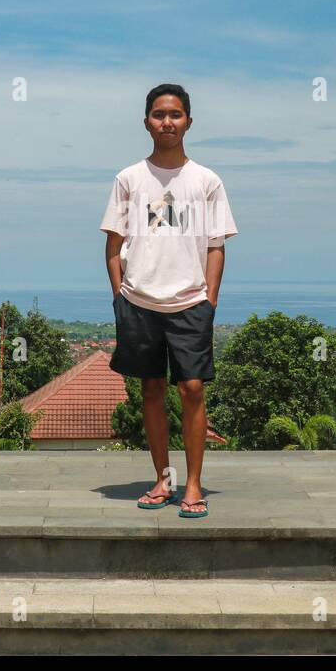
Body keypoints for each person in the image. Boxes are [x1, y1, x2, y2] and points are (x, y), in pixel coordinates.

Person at [99, 83, 238, 519]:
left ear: (188, 122)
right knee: (152, 389)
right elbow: (113, 244)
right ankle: (163, 478)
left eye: (175, 114)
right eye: (159, 114)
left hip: (190, 302)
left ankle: (193, 485)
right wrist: (121, 295)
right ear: (147, 122)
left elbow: (216, 245)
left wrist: (209, 300)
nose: (167, 122)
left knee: (192, 389)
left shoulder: (206, 181)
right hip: (139, 301)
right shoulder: (128, 179)